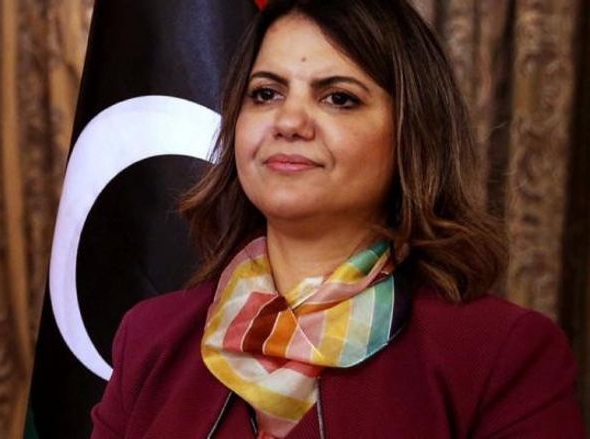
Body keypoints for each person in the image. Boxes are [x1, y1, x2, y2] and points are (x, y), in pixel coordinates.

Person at [90, 0, 586, 437]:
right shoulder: (150, 337)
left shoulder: (499, 354)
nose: (289, 122)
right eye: (266, 93)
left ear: (412, 133)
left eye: (339, 98)